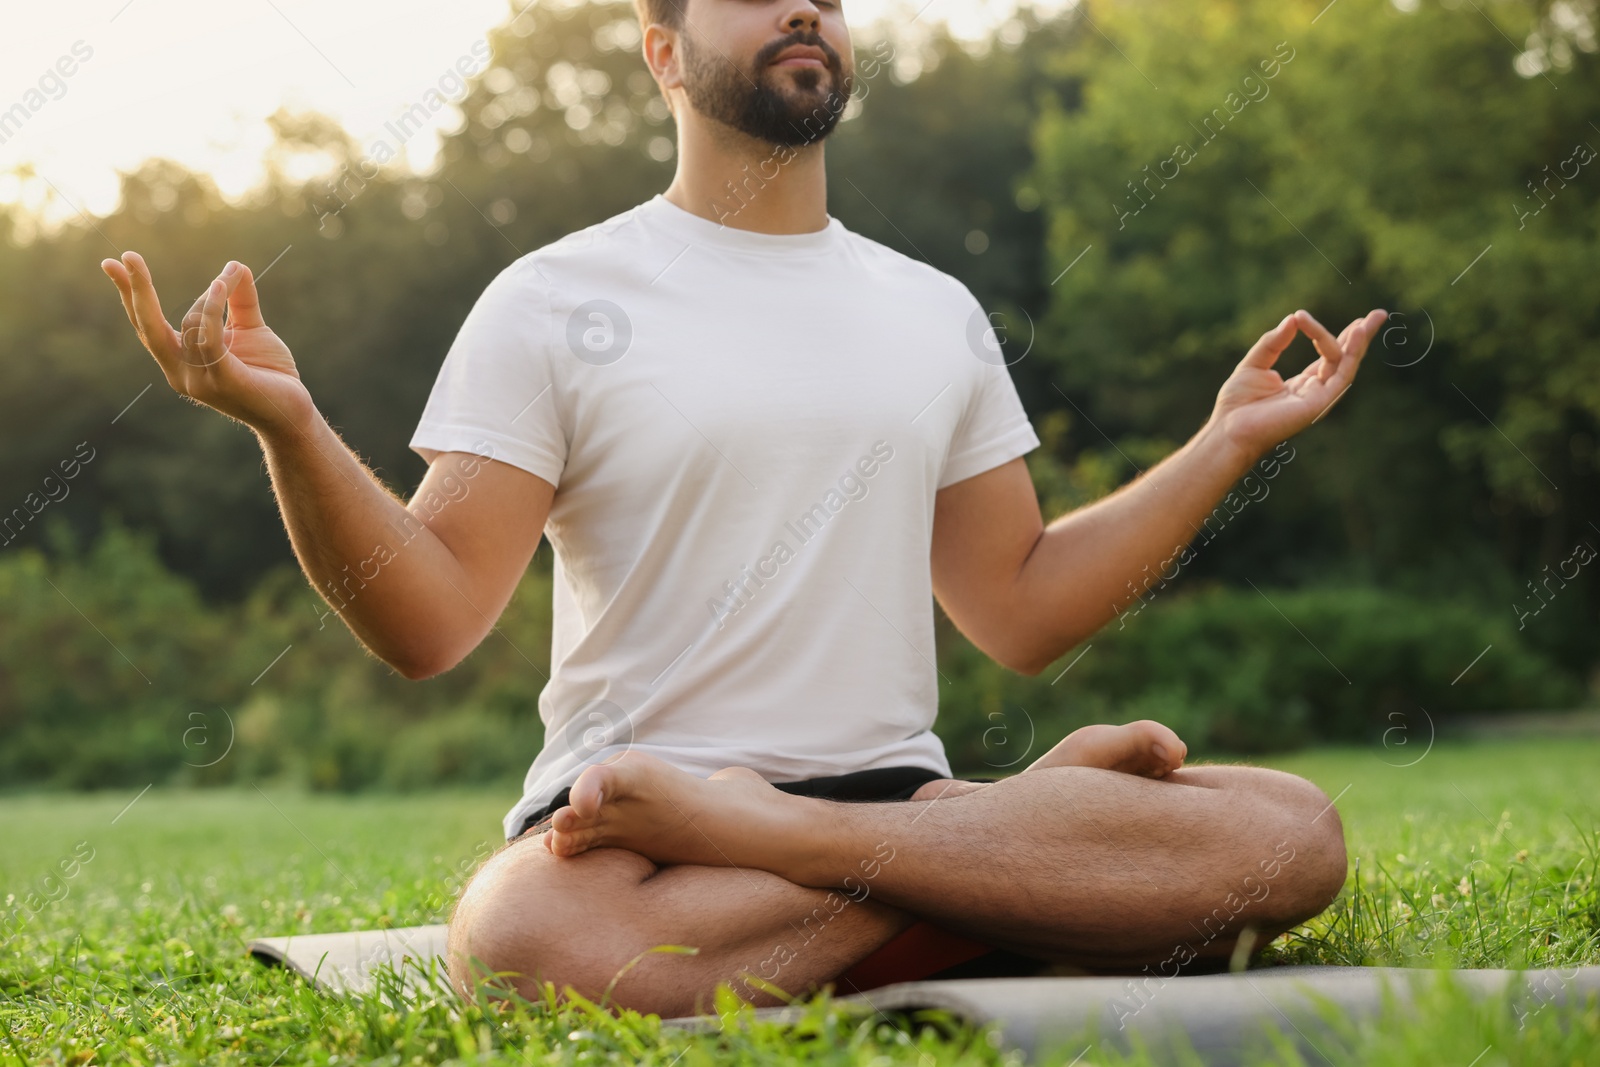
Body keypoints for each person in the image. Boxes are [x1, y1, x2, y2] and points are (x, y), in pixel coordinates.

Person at [100, 0, 1386, 1021]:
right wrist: (294, 425)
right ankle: (1030, 863)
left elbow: (1024, 604)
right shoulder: (553, 298)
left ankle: (868, 847)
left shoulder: (932, 308)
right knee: (523, 934)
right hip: (639, 834)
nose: (805, 12)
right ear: (661, 49)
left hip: (892, 804)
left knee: (1293, 832)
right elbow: (428, 620)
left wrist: (1221, 444)